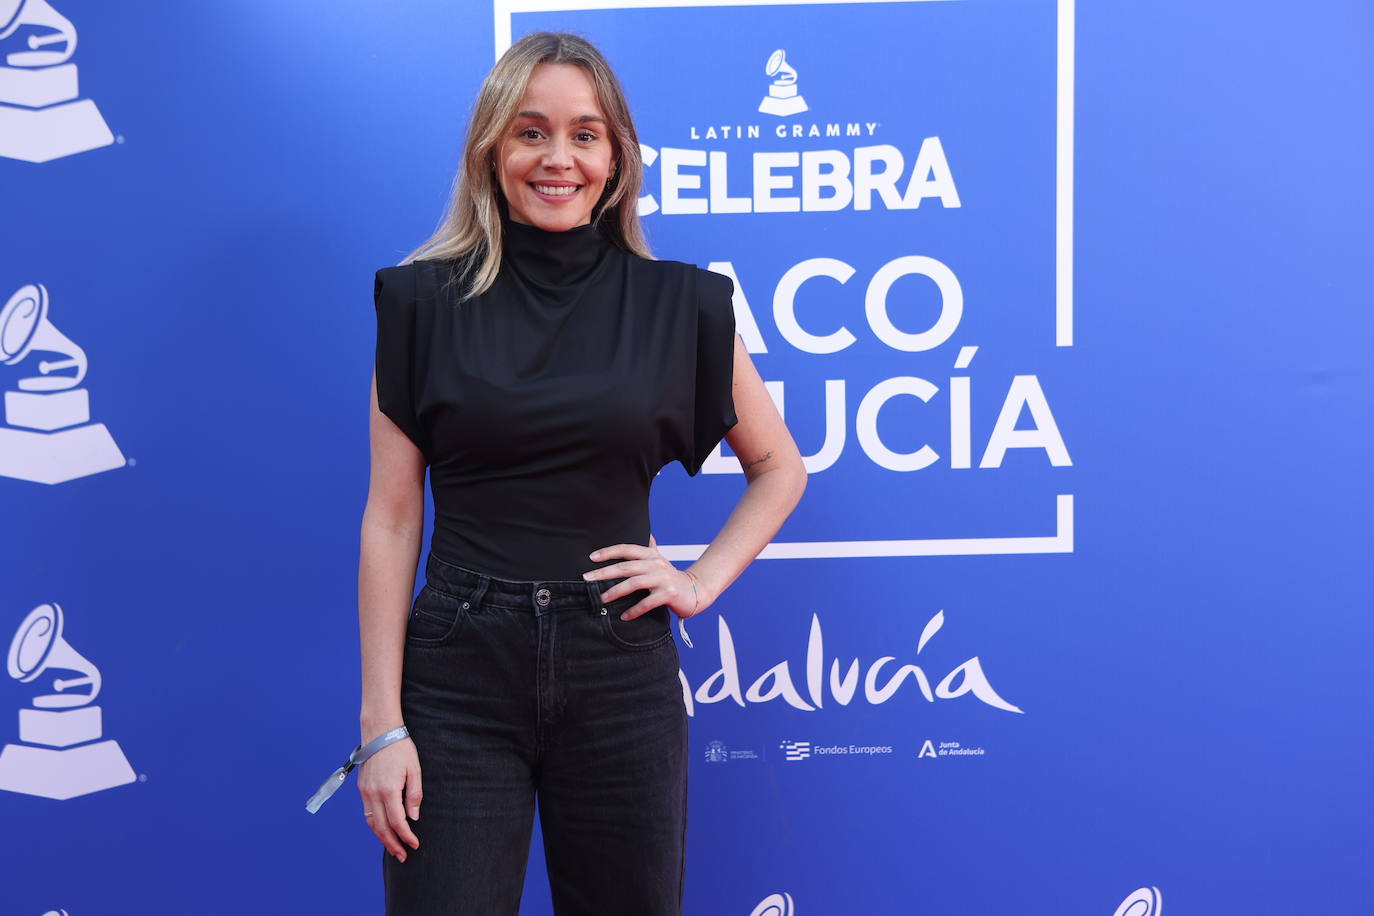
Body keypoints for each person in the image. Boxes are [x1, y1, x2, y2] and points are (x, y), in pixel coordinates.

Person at [356, 31, 807, 915]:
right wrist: (382, 727)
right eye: (531, 132)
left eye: (585, 134)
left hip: (619, 669)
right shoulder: (418, 303)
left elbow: (779, 467)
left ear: (616, 158)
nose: (557, 157)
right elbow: (392, 518)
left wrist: (698, 580)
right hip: (456, 675)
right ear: (493, 149)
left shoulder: (684, 305)